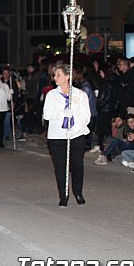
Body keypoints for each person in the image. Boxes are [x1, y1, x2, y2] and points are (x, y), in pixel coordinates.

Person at [43, 62, 91, 207]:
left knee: (77, 165)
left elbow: (86, 115)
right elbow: (47, 114)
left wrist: (75, 127)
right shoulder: (51, 95)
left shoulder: (80, 94)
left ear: (67, 77)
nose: (55, 78)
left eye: (58, 75)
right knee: (61, 166)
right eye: (54, 75)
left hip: (76, 135)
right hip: (57, 136)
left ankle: (78, 192)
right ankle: (63, 195)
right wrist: (62, 113)